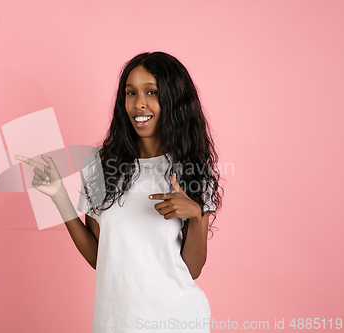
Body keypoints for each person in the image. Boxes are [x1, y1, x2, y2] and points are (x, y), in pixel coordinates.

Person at [15, 51, 223, 333]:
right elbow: (100, 257)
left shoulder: (193, 166)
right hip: (114, 322)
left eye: (152, 92)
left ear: (174, 99)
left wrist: (196, 216)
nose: (139, 104)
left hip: (179, 320)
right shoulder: (100, 163)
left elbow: (193, 269)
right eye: (131, 93)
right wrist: (60, 197)